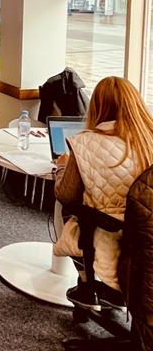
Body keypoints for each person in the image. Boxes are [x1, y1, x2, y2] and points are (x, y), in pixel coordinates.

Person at [54, 76, 153, 311]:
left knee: (67, 208)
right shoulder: (148, 140)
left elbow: (66, 195)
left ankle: (88, 284)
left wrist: (61, 167)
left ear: (97, 106)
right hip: (147, 237)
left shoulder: (86, 143)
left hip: (115, 238)